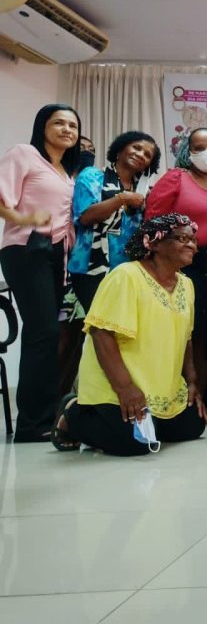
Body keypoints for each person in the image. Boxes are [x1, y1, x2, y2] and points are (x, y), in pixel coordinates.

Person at [50, 214, 206, 455]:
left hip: (163, 387)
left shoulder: (186, 284)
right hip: (119, 384)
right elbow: (102, 334)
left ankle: (144, 421)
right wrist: (125, 388)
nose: (192, 245)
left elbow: (186, 337)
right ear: (152, 243)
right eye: (182, 238)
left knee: (192, 427)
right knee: (134, 443)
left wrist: (192, 381)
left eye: (194, 240)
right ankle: (73, 414)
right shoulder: (125, 276)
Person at [146, 127, 207, 421]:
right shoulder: (176, 179)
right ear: (188, 152)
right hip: (185, 264)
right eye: (199, 147)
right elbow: (153, 223)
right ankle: (191, 397)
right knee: (194, 332)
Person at [0, 103, 81, 442]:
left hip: (55, 256)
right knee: (42, 332)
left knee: (51, 336)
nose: (67, 130)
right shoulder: (24, 154)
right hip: (26, 249)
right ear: (42, 126)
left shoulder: (66, 171)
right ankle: (32, 425)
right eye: (58, 123)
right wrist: (25, 219)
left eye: (73, 126)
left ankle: (45, 419)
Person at [68, 131, 160, 313]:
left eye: (147, 154)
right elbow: (86, 217)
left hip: (128, 272)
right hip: (91, 268)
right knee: (98, 329)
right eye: (136, 147)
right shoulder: (93, 176)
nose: (141, 154)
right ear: (119, 149)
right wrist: (122, 198)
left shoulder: (144, 192)